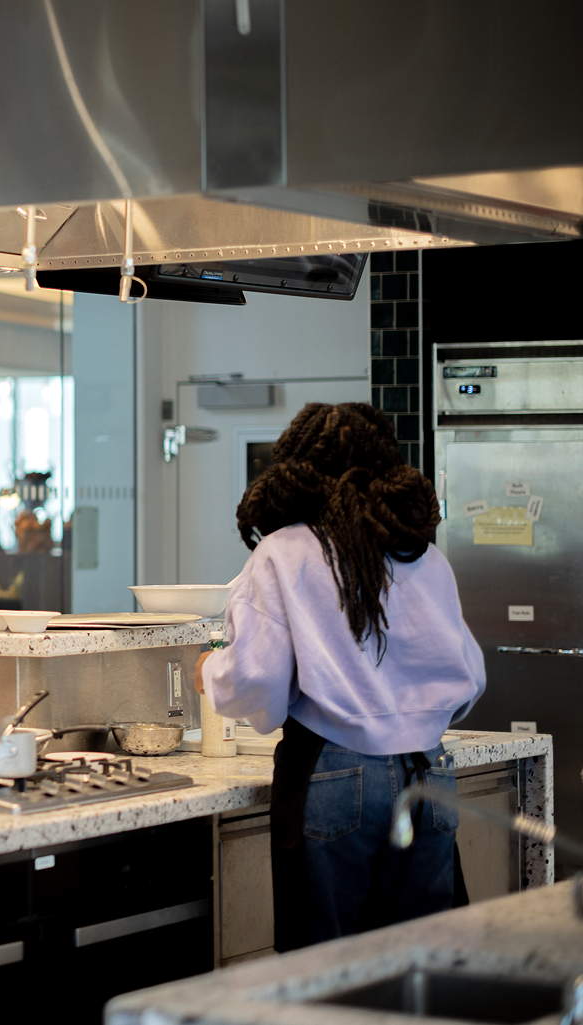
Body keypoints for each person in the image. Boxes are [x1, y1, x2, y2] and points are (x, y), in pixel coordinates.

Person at [196, 402, 486, 951]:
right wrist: (408, 714)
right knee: (423, 965)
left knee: (325, 969)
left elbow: (257, 678)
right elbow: (468, 677)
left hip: (332, 770)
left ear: (297, 464)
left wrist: (211, 673)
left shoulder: (285, 552)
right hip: (428, 770)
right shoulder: (419, 555)